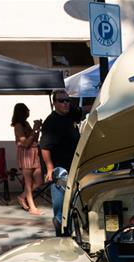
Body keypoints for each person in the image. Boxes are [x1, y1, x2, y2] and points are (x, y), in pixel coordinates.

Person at [39, 89, 83, 235]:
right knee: (60, 210)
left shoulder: (71, 114)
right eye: (61, 101)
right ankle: (61, 239)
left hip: (75, 167)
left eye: (67, 100)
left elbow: (87, 110)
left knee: (74, 205)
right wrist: (50, 168)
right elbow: (45, 147)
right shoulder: (50, 122)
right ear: (54, 103)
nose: (65, 103)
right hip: (60, 171)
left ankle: (73, 235)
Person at [11, 103, 43, 215]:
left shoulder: (26, 123)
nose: (29, 111)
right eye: (27, 110)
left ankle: (21, 197)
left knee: (39, 181)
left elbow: (34, 138)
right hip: (26, 154)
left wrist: (37, 129)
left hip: (33, 153)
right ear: (22, 112)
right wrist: (34, 129)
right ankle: (32, 208)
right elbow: (25, 143)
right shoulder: (18, 126)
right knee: (28, 182)